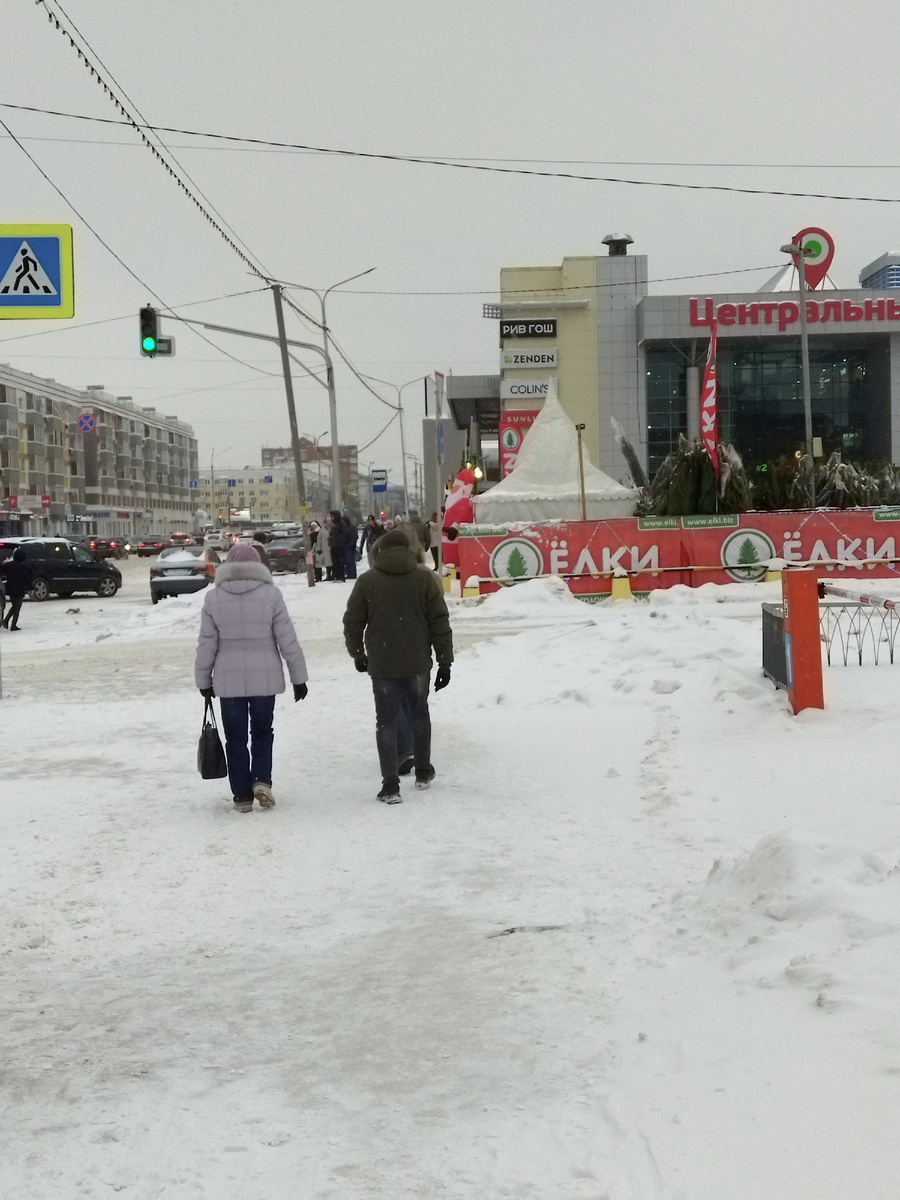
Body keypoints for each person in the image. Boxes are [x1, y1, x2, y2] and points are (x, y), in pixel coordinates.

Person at [194, 541, 309, 813]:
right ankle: (261, 780)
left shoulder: (214, 598)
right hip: (264, 679)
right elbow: (287, 640)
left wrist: (203, 681)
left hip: (228, 681)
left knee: (235, 738)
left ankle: (242, 795)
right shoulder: (271, 595)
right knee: (261, 732)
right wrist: (298, 677)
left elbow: (206, 644)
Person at [343, 529, 453, 804]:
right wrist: (444, 662)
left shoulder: (367, 581)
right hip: (417, 660)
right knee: (419, 714)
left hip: (382, 662)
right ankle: (423, 771)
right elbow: (439, 622)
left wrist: (358, 654)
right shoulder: (424, 579)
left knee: (386, 721)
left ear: (379, 550)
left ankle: (390, 785)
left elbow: (353, 621)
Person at [0, 547, 32, 631]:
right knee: (17, 607)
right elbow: (27, 578)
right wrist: (31, 588)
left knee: (14, 606)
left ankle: (6, 621)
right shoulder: (23, 567)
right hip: (19, 589)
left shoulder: (9, 565)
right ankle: (12, 625)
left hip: (10, 589)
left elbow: (1, 570)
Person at [327, 510, 345, 581]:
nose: (331, 518)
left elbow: (343, 534)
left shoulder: (341, 524)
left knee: (339, 562)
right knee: (334, 562)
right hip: (333, 545)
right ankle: (336, 576)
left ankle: (340, 576)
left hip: (339, 546)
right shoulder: (333, 524)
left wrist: (337, 540)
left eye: (332, 516)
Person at [341, 514, 358, 580]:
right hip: (351, 545)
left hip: (348, 546)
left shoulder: (346, 528)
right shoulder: (352, 527)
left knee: (349, 560)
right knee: (351, 560)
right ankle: (352, 573)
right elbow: (355, 536)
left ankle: (350, 573)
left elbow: (345, 537)